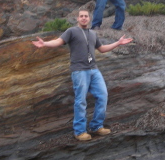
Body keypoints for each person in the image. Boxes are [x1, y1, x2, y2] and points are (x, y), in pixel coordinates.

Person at [32, 8, 133, 141]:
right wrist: (44, 43)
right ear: (78, 19)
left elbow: (102, 49)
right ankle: (79, 131)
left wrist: (118, 43)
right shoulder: (71, 31)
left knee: (103, 95)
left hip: (94, 70)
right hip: (80, 71)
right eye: (81, 16)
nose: (84, 18)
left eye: (86, 16)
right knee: (81, 101)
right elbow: (58, 41)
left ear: (89, 18)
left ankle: (97, 126)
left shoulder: (92, 33)